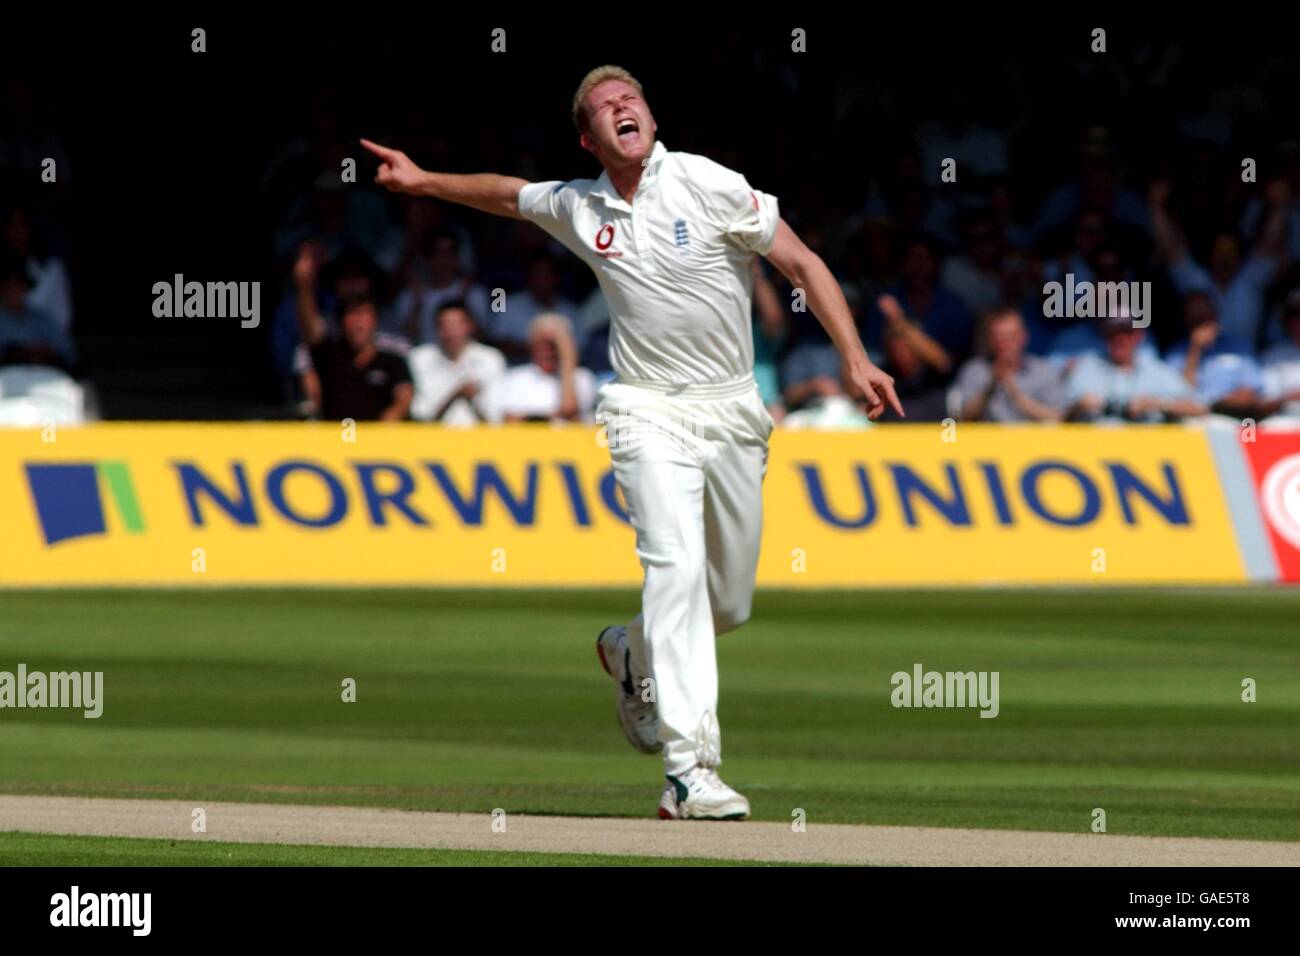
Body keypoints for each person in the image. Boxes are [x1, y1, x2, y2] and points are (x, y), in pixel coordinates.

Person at [362, 64, 901, 820]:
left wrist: (854, 356)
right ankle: (690, 771)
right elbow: (505, 193)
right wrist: (423, 183)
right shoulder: (579, 206)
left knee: (728, 602)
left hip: (733, 411)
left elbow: (802, 263)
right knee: (674, 570)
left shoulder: (708, 181)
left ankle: (630, 651)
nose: (623, 108)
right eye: (605, 107)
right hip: (645, 412)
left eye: (631, 99)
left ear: (649, 115)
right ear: (589, 138)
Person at [293, 249, 412, 422]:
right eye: (352, 316)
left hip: (379, 444)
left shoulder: (392, 360)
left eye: (364, 315)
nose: (358, 323)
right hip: (334, 442)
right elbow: (310, 328)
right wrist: (303, 285)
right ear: (342, 322)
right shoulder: (329, 355)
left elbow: (404, 395)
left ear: (375, 321)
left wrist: (389, 421)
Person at [1064, 315, 1205, 423]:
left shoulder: (1156, 369)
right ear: (1104, 336)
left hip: (1147, 448)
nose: (1120, 339)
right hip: (1095, 446)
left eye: (1127, 333)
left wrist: (1159, 404)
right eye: (1113, 333)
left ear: (1138, 336)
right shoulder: (1087, 367)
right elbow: (1059, 416)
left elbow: (1199, 408)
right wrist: (1079, 406)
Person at [956, 307, 1063, 422]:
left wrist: (1016, 395)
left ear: (1023, 337)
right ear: (988, 339)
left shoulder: (1042, 371)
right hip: (986, 438)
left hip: (1032, 438)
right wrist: (991, 387)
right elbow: (964, 417)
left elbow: (1058, 418)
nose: (1002, 344)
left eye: (1010, 337)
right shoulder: (974, 370)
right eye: (997, 337)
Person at [408, 299, 505, 425]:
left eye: (457, 325)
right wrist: (456, 395)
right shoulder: (419, 358)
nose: (451, 332)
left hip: (480, 438)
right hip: (434, 439)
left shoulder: (491, 359)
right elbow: (421, 418)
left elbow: (494, 419)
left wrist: (472, 400)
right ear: (436, 328)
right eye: (445, 325)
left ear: (471, 326)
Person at [489, 313, 594, 422]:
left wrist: (567, 361)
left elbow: (570, 412)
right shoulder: (514, 379)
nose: (548, 351)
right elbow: (511, 421)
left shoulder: (583, 378)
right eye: (542, 343)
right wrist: (555, 417)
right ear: (531, 344)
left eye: (554, 345)